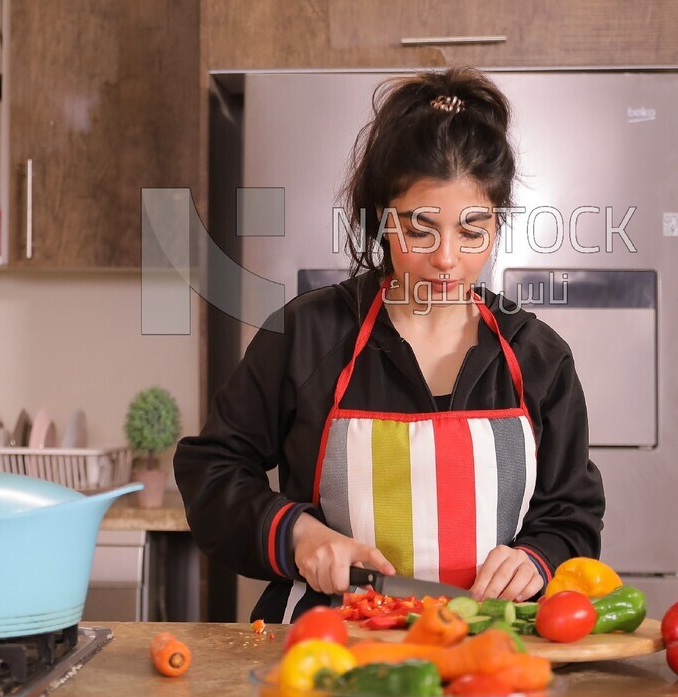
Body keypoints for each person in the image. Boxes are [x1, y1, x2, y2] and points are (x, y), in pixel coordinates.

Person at [174, 66, 605, 623]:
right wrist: (301, 536)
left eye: (472, 231)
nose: (447, 257)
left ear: (497, 225)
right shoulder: (310, 335)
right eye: (420, 229)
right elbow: (213, 471)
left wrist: (539, 559)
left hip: (489, 653)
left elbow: (572, 513)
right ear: (381, 220)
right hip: (329, 646)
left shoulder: (537, 356)